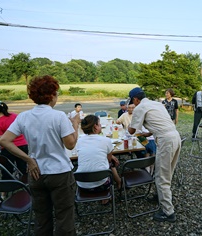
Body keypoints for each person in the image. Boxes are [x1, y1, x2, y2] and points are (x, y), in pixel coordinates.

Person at [0, 75, 80, 235]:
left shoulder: (24, 116)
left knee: (42, 217)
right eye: (56, 93)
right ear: (51, 95)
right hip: (59, 173)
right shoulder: (58, 116)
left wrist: (28, 159)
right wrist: (75, 125)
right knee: (64, 216)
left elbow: (5, 141)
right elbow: (70, 144)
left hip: (36, 172)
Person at [127, 87, 181, 223]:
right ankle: (159, 196)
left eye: (132, 101)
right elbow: (161, 122)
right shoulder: (157, 103)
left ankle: (168, 212)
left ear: (135, 99)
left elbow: (132, 130)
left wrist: (126, 124)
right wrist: (149, 133)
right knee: (166, 172)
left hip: (165, 141)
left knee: (162, 176)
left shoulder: (139, 108)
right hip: (175, 136)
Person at [0, 100, 29, 186]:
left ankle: (4, 192)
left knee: (7, 170)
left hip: (9, 149)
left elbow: (1, 141)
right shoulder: (14, 116)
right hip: (23, 146)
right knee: (23, 168)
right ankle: (25, 186)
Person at [75, 115, 121, 198]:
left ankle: (117, 183)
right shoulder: (106, 140)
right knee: (111, 164)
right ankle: (116, 185)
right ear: (95, 126)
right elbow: (109, 159)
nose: (101, 126)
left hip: (82, 185)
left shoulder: (79, 141)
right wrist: (112, 157)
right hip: (101, 185)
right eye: (99, 124)